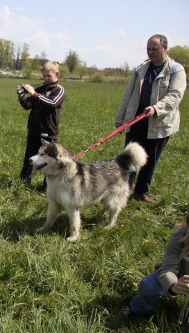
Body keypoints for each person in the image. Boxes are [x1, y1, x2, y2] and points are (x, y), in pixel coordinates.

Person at [115, 34, 186, 204]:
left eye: (155, 49)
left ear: (165, 48)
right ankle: (124, 192)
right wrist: (121, 118)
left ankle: (141, 192)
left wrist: (156, 108)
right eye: (148, 49)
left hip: (159, 124)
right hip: (136, 122)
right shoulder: (140, 69)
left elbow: (175, 96)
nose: (150, 52)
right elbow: (128, 95)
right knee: (130, 159)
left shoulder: (176, 70)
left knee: (150, 160)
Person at [123, 215, 189, 316]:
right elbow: (167, 269)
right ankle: (138, 309)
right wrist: (174, 286)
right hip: (179, 276)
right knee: (149, 285)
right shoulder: (180, 236)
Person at [17, 61, 65, 186]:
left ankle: (48, 187)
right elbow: (28, 105)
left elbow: (51, 103)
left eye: (49, 76)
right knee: (29, 157)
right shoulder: (40, 89)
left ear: (57, 74)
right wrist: (21, 96)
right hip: (34, 130)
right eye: (44, 76)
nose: (46, 79)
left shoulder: (59, 90)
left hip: (49, 132)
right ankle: (24, 182)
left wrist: (34, 93)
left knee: (50, 160)